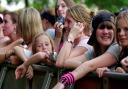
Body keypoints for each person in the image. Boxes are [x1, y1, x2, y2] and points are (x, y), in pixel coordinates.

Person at [53, 10, 121, 89]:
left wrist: (64, 81)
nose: (105, 31)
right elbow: (62, 62)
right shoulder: (93, 51)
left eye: (110, 28)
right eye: (101, 27)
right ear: (94, 32)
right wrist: (93, 68)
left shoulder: (117, 47)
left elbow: (89, 65)